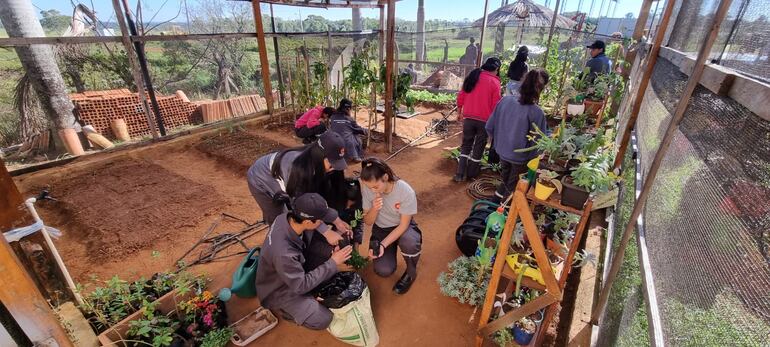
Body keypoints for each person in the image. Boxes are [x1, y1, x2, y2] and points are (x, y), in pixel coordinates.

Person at [255, 193, 354, 330]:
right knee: (323, 319)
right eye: (320, 221)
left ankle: (311, 294)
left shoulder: (286, 218)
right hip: (280, 291)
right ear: (307, 222)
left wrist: (331, 256)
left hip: (292, 270)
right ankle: (288, 311)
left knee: (329, 261)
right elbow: (301, 286)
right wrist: (332, 262)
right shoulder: (283, 253)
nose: (322, 224)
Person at [246, 131, 351, 243]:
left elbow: (314, 201)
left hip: (286, 180)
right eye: (332, 164)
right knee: (279, 219)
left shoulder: (314, 164)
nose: (333, 169)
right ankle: (277, 244)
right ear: (319, 155)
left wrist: (336, 220)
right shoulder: (298, 169)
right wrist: (326, 232)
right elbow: (302, 206)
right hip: (260, 179)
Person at [486, 69, 550, 202]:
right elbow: (539, 143)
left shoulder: (505, 101)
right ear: (540, 90)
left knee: (505, 178)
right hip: (520, 158)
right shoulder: (537, 113)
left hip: (502, 151)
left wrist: (499, 142)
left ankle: (495, 203)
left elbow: (489, 126)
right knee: (512, 186)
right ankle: (503, 212)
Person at [360, 158, 421, 294]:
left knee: (409, 241)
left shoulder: (405, 191)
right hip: (381, 229)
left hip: (402, 227)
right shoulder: (368, 189)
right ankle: (386, 250)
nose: (373, 191)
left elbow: (403, 225)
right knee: (383, 270)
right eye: (369, 187)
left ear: (385, 177)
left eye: (376, 187)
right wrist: (375, 208)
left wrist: (382, 245)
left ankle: (411, 272)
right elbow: (368, 222)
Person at [454, 57, 502, 182]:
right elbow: (495, 105)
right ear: (496, 69)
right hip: (484, 121)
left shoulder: (473, 77)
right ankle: (471, 174)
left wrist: (459, 112)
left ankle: (459, 174)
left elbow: (461, 95)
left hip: (468, 118)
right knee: (479, 147)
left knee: (466, 145)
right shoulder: (495, 82)